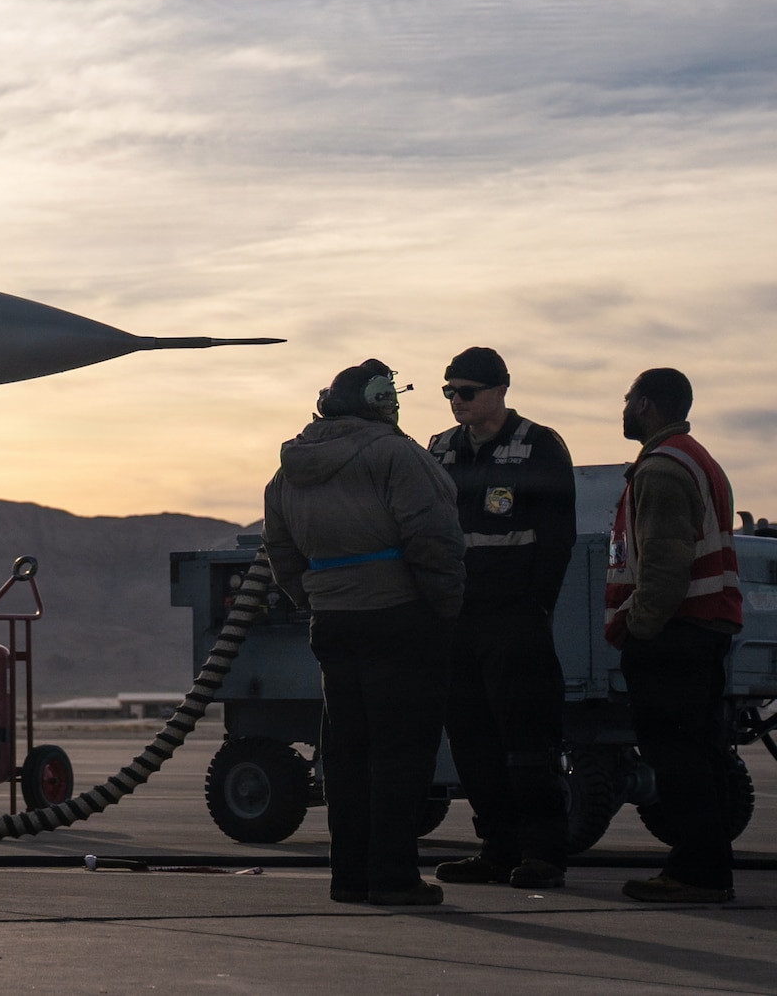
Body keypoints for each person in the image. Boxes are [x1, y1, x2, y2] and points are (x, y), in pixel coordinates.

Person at [263, 359, 464, 907]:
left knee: (347, 754)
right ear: (381, 402)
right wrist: (445, 611)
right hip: (400, 618)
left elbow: (280, 552)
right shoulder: (397, 455)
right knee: (400, 753)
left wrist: (316, 599)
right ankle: (394, 878)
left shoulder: (289, 469)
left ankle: (349, 876)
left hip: (333, 624)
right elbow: (434, 539)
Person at [427, 347, 577, 891]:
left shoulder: (538, 445)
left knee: (527, 741)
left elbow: (556, 537)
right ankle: (497, 847)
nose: (456, 402)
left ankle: (543, 853)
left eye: (465, 391)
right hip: (457, 620)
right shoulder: (440, 450)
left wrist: (536, 605)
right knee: (471, 740)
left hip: (514, 619)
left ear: (499, 391)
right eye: (449, 392)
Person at [607, 368, 741, 904]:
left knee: (677, 757)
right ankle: (705, 867)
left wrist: (638, 628)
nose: (623, 409)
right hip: (703, 630)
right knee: (700, 754)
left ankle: (696, 873)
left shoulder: (661, 469)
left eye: (627, 400)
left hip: (673, 633)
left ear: (645, 405)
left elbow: (664, 562)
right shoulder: (698, 458)